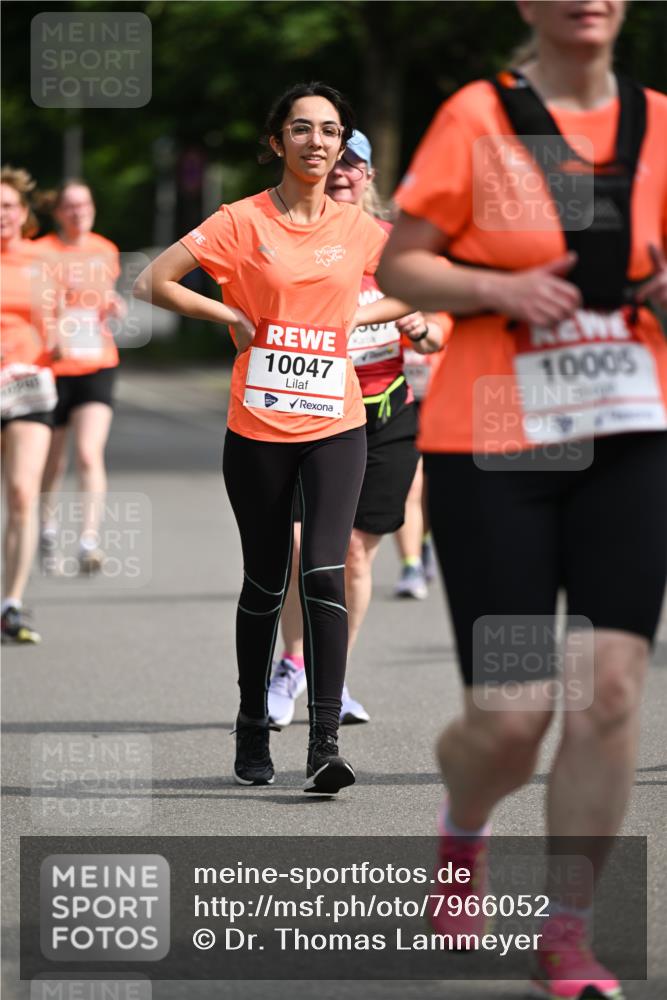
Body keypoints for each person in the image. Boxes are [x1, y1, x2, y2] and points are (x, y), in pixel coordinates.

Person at [378, 2, 667, 998]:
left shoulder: (661, 123)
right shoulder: (478, 116)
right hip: (492, 441)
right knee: (511, 717)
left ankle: (567, 930)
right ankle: (462, 833)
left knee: (610, 690)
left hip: (627, 431)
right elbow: (399, 263)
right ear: (527, 6)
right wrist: (497, 291)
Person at [133, 82, 392, 794]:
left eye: (331, 131)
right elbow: (153, 281)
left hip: (337, 423)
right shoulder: (239, 220)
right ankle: (252, 722)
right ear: (277, 140)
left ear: (343, 145)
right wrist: (227, 316)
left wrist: (360, 323)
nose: (318, 142)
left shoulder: (357, 227)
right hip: (258, 426)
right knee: (267, 578)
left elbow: (418, 283)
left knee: (324, 569)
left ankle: (324, 742)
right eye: (302, 129)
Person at [267, 131, 447, 728]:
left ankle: (331, 679)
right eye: (335, 162)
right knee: (300, 549)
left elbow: (442, 329)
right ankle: (291, 663)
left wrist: (421, 327)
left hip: (386, 412)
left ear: (370, 175)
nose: (343, 172)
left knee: (354, 556)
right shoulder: (300, 233)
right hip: (309, 409)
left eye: (355, 165)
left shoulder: (397, 245)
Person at [36, 182, 125, 575]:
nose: (78, 212)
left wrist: (114, 304)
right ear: (57, 213)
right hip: (52, 368)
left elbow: (103, 296)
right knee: (52, 461)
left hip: (97, 362)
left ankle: (89, 540)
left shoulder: (105, 250)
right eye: (69, 207)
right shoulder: (41, 253)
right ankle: (47, 528)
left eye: (84, 204)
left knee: (90, 453)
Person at [1, 166, 57, 643]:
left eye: (9, 207)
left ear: (23, 214)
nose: (2, 215)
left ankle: (11, 603)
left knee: (22, 493)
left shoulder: (41, 262)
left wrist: (58, 338)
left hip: (27, 387)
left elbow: (56, 320)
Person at [393, 346, 444, 599]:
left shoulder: (449, 311)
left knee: (431, 484)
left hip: (441, 399)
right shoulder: (389, 307)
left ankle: (424, 538)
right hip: (401, 399)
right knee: (410, 485)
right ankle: (411, 565)